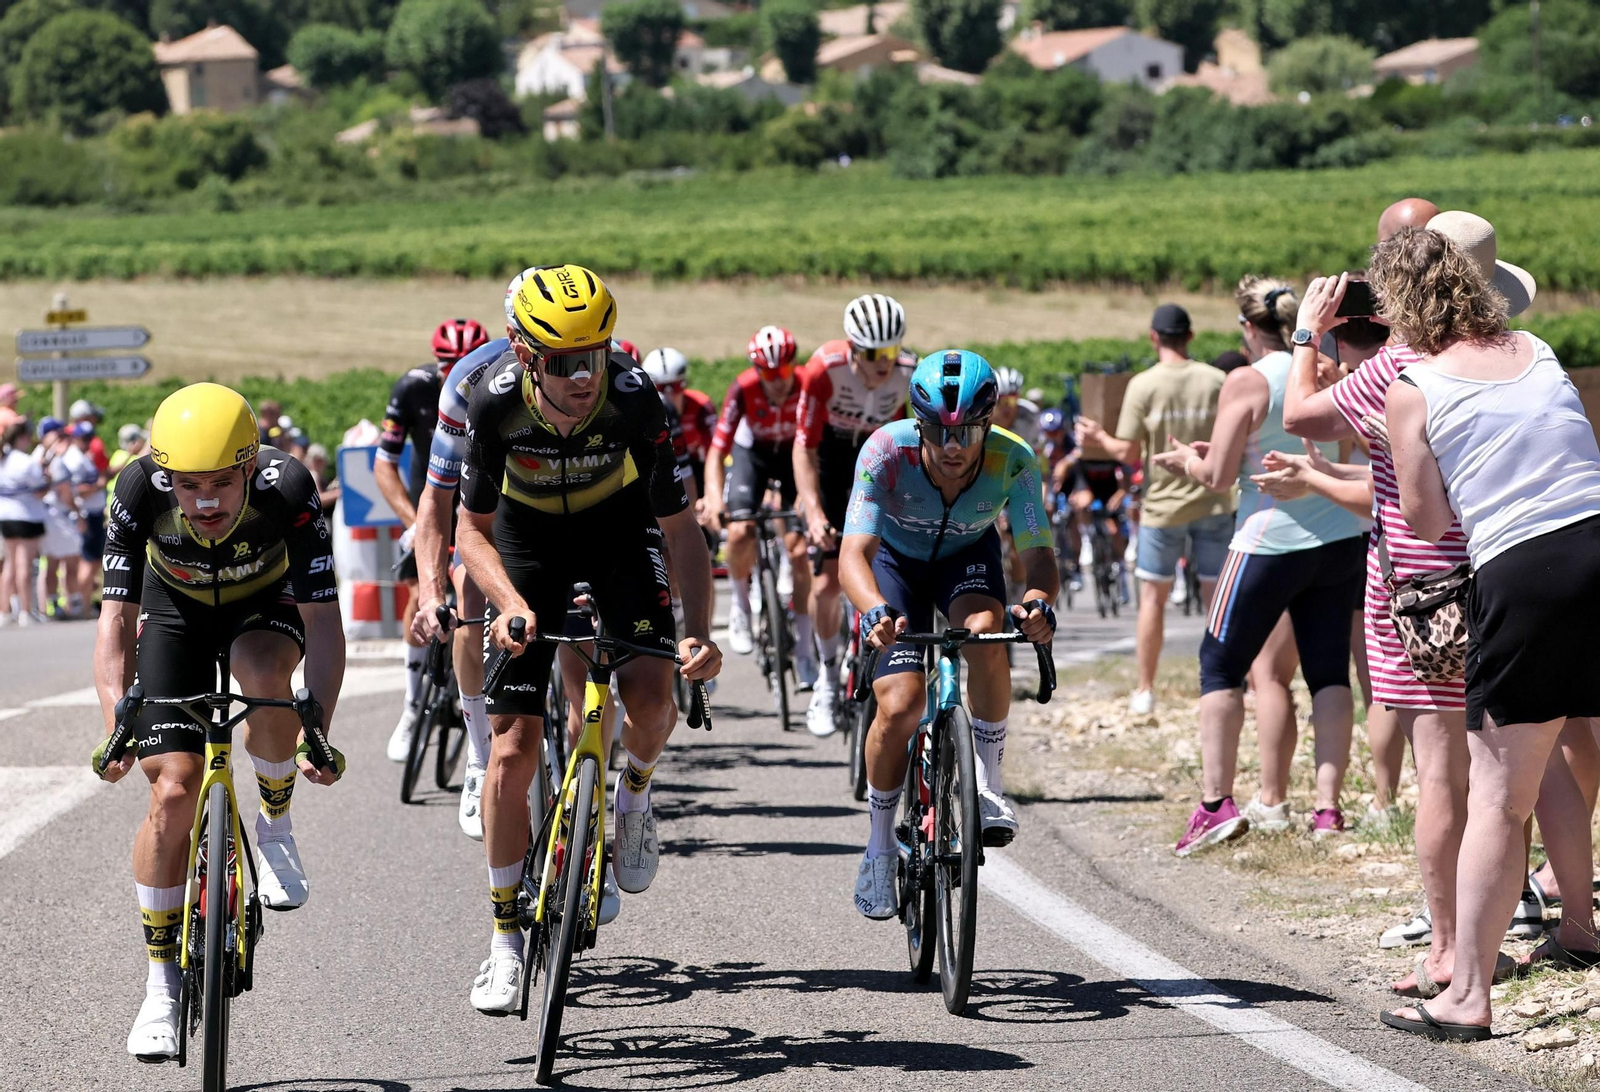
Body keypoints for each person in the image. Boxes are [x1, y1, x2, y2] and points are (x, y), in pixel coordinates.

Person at [456, 264, 721, 1015]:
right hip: (526, 545)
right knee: (508, 749)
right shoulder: (494, 403)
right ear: (525, 353)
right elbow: (469, 531)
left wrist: (698, 633)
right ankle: (505, 944)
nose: (585, 375)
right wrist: (505, 602)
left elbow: (680, 531)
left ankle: (633, 801)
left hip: (616, 535)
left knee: (649, 695)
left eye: (597, 355)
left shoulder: (636, 401)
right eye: (566, 362)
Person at [1377, 222, 1600, 1042]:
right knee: (1565, 758)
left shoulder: (1416, 386)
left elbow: (1428, 518)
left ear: (1402, 302)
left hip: (1525, 573)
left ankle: (1466, 993)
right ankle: (1579, 923)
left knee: (1501, 802)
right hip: (1596, 539)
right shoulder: (1538, 347)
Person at [90, 383, 345, 1061]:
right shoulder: (137, 490)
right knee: (172, 790)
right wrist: (116, 718)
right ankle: (160, 986)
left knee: (261, 673)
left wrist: (319, 725)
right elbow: (114, 620)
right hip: (172, 611)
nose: (204, 502)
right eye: (189, 485)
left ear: (249, 468)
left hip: (264, 604)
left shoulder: (289, 487)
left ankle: (277, 822)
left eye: (222, 484)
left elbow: (323, 624)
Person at [1281, 198, 1476, 989]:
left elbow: (1301, 415)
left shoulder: (1396, 369)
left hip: (1423, 592)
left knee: (1441, 775)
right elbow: (1395, 480)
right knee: (1503, 772)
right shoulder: (1508, 352)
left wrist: (1308, 332)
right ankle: (1548, 909)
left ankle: (1448, 947)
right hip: (1504, 573)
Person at [840, 349, 1057, 918]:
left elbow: (1038, 556)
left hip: (968, 559)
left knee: (986, 632)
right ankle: (881, 843)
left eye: (968, 432)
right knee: (902, 702)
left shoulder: (1015, 460)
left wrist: (1037, 604)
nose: (954, 446)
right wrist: (871, 611)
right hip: (895, 566)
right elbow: (853, 556)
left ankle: (987, 784)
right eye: (938, 431)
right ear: (919, 423)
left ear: (989, 422)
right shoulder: (884, 451)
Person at [1155, 277, 1367, 855]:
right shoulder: (1326, 368)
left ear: (1248, 328)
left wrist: (1185, 461)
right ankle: (1327, 808)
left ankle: (1215, 803)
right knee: (1328, 674)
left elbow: (1221, 477)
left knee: (1219, 665)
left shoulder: (1247, 380)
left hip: (1269, 540)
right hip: (1341, 533)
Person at [411, 281, 526, 842]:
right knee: (468, 595)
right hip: (486, 510)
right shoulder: (467, 381)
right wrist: (431, 591)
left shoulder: (594, 377)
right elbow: (436, 499)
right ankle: (480, 754)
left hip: (560, 510)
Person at [1077, 303, 1233, 716]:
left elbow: (1127, 451)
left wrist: (1098, 436)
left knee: (1152, 599)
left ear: (1153, 338)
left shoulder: (1144, 385)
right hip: (1215, 497)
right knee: (1218, 597)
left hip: (1162, 506)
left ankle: (1146, 689)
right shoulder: (1217, 380)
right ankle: (1229, 685)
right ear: (1191, 336)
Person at [794, 294, 915, 738]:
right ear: (851, 347)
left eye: (891, 351)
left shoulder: (908, 372)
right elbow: (804, 445)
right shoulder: (823, 368)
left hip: (876, 461)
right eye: (872, 354)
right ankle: (826, 678)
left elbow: (907, 441)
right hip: (830, 461)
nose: (883, 363)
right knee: (826, 584)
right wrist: (812, 509)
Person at [379, 317, 491, 765]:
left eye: (462, 361)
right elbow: (383, 464)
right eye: (447, 362)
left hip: (479, 503)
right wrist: (410, 520)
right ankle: (411, 707)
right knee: (416, 598)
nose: (456, 370)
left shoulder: (495, 384)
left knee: (471, 597)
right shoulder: (413, 387)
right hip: (431, 501)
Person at [701, 326, 812, 683]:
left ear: (793, 365)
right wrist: (715, 496)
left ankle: (805, 642)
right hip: (755, 455)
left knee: (798, 550)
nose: (776, 381)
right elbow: (718, 450)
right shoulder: (744, 388)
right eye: (768, 373)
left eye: (782, 372)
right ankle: (740, 604)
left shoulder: (808, 384)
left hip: (794, 453)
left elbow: (816, 446)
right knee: (739, 531)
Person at [643, 347, 718, 499]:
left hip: (697, 467)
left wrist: (711, 497)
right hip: (661, 469)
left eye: (676, 386)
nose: (669, 395)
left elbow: (714, 453)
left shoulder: (701, 406)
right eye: (660, 388)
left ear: (685, 384)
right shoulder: (643, 412)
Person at [34, 417, 84, 620]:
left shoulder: (38, 455)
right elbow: (65, 492)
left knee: (52, 563)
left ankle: (54, 604)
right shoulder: (57, 459)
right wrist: (78, 513)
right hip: (59, 515)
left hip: (46, 513)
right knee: (70, 562)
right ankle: (74, 605)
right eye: (61, 435)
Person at [0, 419, 46, 626]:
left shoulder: (4, 458)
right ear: (21, 437)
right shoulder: (25, 462)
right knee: (24, 565)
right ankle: (26, 611)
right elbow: (40, 490)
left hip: (6, 516)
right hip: (27, 516)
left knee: (10, 564)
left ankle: (5, 610)